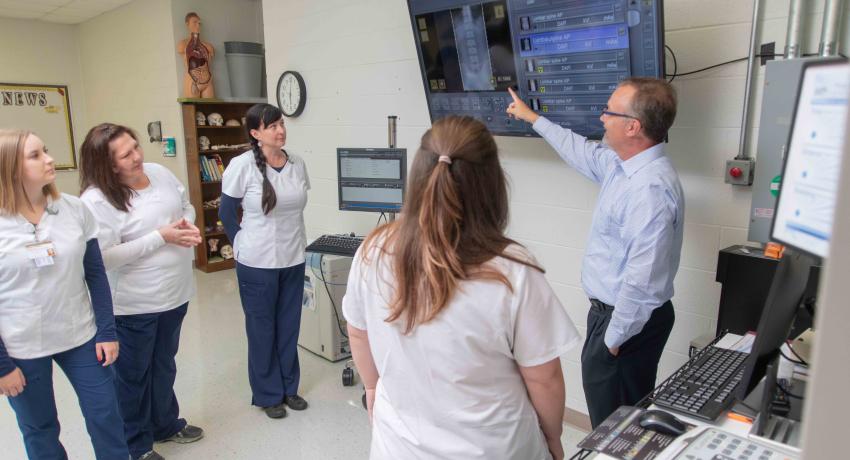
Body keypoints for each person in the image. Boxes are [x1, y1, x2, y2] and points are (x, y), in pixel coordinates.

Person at [342, 116, 581, 460]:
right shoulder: (512, 269)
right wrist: (554, 438)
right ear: (492, 184)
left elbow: (359, 332)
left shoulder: (374, 250)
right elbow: (544, 379)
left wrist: (371, 388)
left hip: (398, 447)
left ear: (418, 177)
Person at [506, 78, 684, 428]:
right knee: (620, 423)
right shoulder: (622, 167)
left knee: (615, 429)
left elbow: (643, 282)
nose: (602, 117)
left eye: (609, 111)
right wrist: (533, 118)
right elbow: (580, 150)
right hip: (617, 318)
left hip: (627, 322)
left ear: (633, 127)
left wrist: (613, 342)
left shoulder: (649, 190)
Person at [0, 129, 129, 459]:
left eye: (45, 149)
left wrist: (107, 330)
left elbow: (96, 275)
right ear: (9, 168)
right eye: (35, 155)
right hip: (21, 346)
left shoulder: (72, 209)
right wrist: (2, 365)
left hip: (81, 335)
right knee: (39, 428)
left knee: (105, 414)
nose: (49, 158)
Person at [78, 124, 205, 460]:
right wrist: (161, 237)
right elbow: (101, 258)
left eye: (136, 147)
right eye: (126, 154)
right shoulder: (95, 201)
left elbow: (185, 204)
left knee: (164, 365)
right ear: (107, 165)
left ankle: (164, 423)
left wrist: (186, 222)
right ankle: (136, 444)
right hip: (133, 305)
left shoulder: (158, 173)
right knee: (132, 378)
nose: (137, 157)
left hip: (174, 295)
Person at [219, 103, 311, 419]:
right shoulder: (241, 166)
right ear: (256, 134)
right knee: (262, 329)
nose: (280, 130)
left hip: (293, 257)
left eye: (281, 124)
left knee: (289, 327)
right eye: (271, 126)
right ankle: (268, 394)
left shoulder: (296, 162)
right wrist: (241, 244)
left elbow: (296, 209)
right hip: (257, 262)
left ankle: (289, 388)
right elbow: (226, 213)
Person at [177, 12, 215, 98]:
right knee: (192, 108)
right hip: (192, 80)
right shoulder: (183, 45)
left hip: (208, 81)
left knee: (211, 108)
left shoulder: (208, 46)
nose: (198, 25)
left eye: (199, 23)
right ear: (187, 24)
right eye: (194, 22)